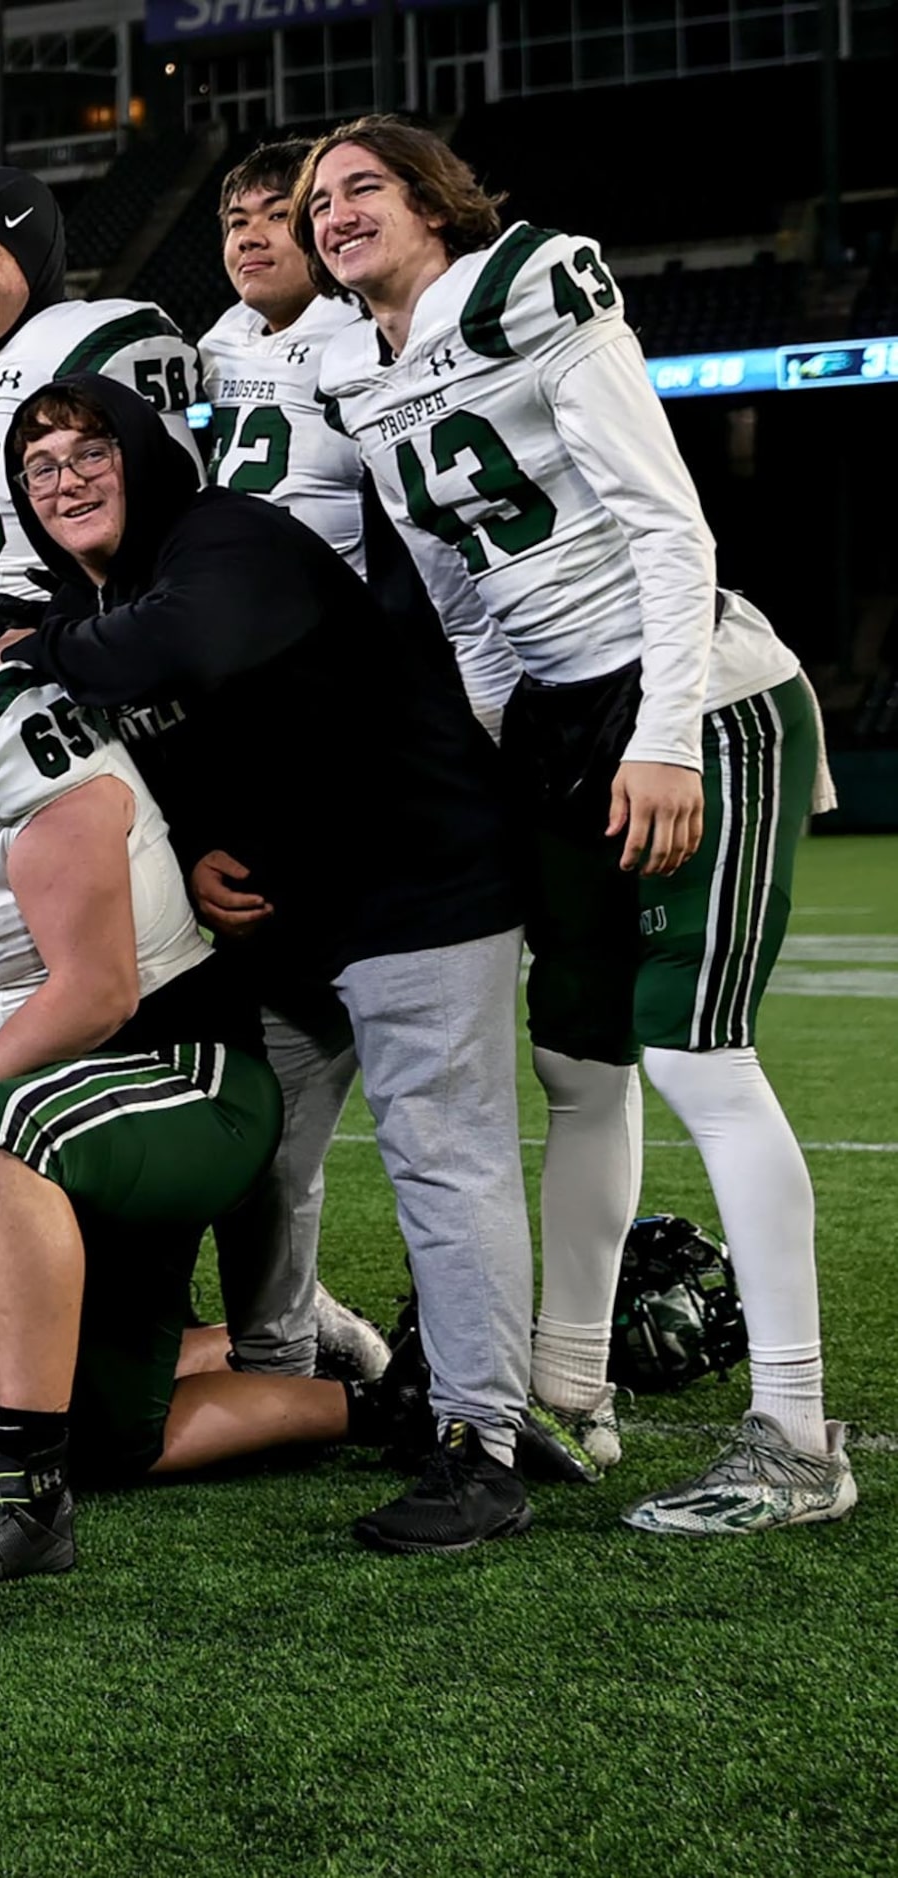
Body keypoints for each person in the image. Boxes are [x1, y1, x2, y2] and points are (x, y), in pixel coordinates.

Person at [302, 119, 853, 1533]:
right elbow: (466, 601)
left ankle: (798, 1433)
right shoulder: (358, 374)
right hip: (557, 719)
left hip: (693, 696)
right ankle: (571, 1388)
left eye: (364, 184)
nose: (336, 211)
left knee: (696, 1056)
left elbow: (670, 525)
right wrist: (505, 741)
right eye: (316, 201)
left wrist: (662, 738)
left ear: (435, 201)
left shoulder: (530, 285)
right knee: (575, 1058)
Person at [0, 376, 546, 1550]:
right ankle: (279, 1374)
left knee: (444, 1159)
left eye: (92, 451)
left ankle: (485, 1443)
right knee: (265, 1162)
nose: (67, 479)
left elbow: (194, 643)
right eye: (40, 466)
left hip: (416, 883)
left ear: (150, 454)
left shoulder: (225, 533)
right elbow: (160, 764)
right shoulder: (101, 596)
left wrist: (40, 644)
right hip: (285, 917)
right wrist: (191, 853)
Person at [0, 544, 407, 1586]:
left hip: (178, 1075)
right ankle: (392, 1402)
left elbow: (98, 989)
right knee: (114, 1436)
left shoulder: (6, 727)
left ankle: (24, 1504)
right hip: (46, 1120)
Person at [200, 139, 523, 738]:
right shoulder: (221, 341)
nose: (249, 237)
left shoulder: (368, 334)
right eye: (236, 222)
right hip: (248, 646)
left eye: (276, 216)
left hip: (358, 649)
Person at [0, 169, 201, 633]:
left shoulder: (97, 338)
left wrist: (87, 607)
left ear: (32, 255)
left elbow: (174, 505)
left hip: (86, 626)